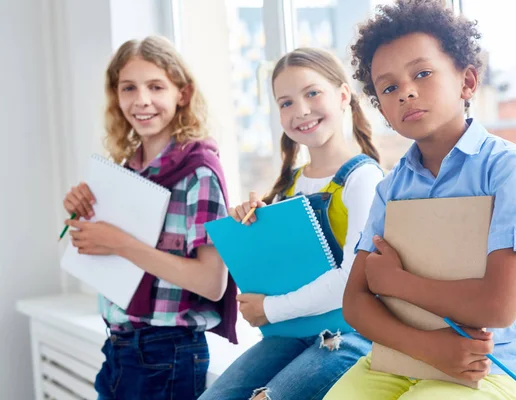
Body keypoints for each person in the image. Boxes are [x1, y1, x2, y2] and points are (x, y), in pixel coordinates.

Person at [324, 1, 516, 399]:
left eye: (423, 73)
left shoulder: (508, 172)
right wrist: (429, 348)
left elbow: (497, 307)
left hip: (488, 369)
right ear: (381, 108)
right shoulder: (391, 187)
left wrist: (397, 282)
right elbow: (355, 304)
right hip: (400, 359)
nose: (407, 91)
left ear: (467, 82)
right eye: (389, 87)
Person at [199, 47, 384, 400]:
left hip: (351, 333)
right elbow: (282, 267)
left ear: (343, 95)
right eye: (285, 103)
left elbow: (353, 280)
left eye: (312, 93)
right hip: (291, 331)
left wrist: (268, 309)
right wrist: (252, 224)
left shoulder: (364, 179)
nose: (300, 110)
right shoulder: (289, 185)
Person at [62, 36, 237, 399]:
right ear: (117, 96)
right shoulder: (127, 172)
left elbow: (211, 283)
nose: (141, 100)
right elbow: (100, 255)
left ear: (182, 94)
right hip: (119, 348)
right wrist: (83, 219)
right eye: (129, 88)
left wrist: (121, 243)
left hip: (167, 352)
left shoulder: (200, 173)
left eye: (156, 86)